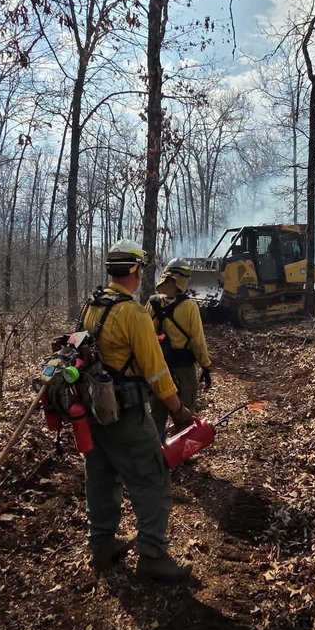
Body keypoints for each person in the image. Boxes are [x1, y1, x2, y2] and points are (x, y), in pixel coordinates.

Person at [78, 240, 195, 582]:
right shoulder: (133, 313)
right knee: (152, 478)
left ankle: (101, 546)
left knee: (100, 477)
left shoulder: (93, 305)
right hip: (126, 415)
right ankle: (153, 556)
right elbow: (156, 371)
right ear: (135, 270)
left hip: (93, 410)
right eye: (141, 268)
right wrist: (178, 410)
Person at [145, 258, 213, 438]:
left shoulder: (152, 303)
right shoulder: (190, 306)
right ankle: (184, 449)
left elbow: (145, 336)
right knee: (185, 410)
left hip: (158, 368)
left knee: (156, 410)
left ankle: (156, 451)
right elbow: (198, 341)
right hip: (183, 369)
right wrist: (205, 365)